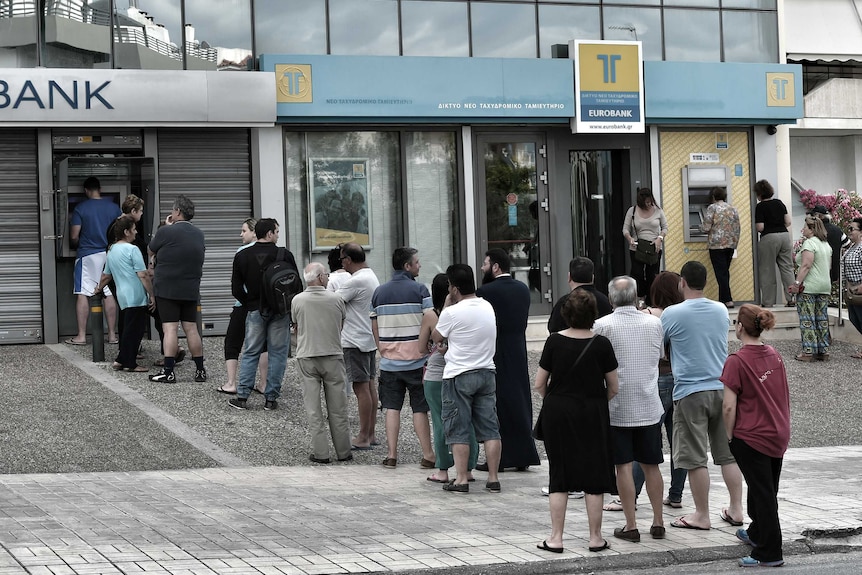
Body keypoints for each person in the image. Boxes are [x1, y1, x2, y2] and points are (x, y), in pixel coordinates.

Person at [533, 290, 618, 553]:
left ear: (565, 314)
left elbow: (539, 384)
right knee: (594, 475)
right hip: (592, 411)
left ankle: (556, 538)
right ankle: (595, 538)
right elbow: (613, 387)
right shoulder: (602, 344)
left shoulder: (554, 342)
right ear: (593, 314)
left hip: (559, 412)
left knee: (559, 474)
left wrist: (557, 398)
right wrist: (594, 398)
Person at [661, 261, 744, 531]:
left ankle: (701, 514)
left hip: (689, 391)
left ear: (681, 282)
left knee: (695, 458)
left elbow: (662, 350)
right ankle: (736, 509)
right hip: (722, 388)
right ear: (706, 282)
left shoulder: (672, 314)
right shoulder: (720, 309)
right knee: (727, 454)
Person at [593, 276, 666, 543]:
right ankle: (658, 521)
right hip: (648, 403)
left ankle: (631, 524)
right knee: (652, 464)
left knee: (623, 466)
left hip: (617, 406)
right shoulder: (655, 323)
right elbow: (658, 357)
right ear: (636, 298)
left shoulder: (602, 326)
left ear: (611, 298)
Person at [722, 304, 790, 568]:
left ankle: (770, 552)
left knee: (763, 494)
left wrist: (730, 436)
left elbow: (729, 406)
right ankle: (756, 533)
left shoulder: (736, 361)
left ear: (740, 326)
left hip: (751, 436)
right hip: (777, 432)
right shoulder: (775, 355)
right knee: (765, 487)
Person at [432, 264, 501, 494]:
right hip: (486, 371)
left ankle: (461, 479)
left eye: (450, 285)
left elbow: (436, 336)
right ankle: (493, 478)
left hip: (459, 375)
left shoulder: (452, 312)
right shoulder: (487, 306)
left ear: (454, 289)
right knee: (490, 428)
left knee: (458, 428)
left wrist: (446, 306)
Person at [475, 248, 540, 472]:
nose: (482, 268)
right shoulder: (522, 289)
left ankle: (500, 457)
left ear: (495, 266)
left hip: (495, 350)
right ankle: (523, 453)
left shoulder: (485, 292)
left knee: (498, 403)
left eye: (485, 264)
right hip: (518, 349)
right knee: (520, 400)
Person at [371, 247, 435, 469]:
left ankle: (391, 455)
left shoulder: (379, 292)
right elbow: (429, 320)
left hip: (390, 362)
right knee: (420, 409)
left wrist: (381, 347)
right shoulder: (420, 290)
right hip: (417, 361)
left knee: (392, 408)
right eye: (416, 262)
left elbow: (374, 323)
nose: (419, 266)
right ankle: (428, 455)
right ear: (407, 266)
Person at [228, 218, 297, 411]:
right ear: (269, 234)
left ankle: (242, 397)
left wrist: (250, 303)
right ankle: (271, 399)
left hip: (255, 310)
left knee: (251, 351)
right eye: (276, 231)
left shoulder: (243, 256)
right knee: (278, 353)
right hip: (280, 311)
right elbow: (295, 285)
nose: (277, 234)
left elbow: (235, 288)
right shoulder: (285, 255)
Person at [419, 273, 478, 483]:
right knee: (466, 420)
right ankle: (468, 468)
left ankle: (443, 469)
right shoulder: (467, 312)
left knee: (440, 421)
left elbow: (420, 348)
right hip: (462, 371)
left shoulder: (431, 315)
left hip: (436, 375)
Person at [292, 262, 352, 464]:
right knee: (338, 408)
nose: (327, 278)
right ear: (319, 278)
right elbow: (341, 325)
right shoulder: (336, 299)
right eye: (325, 275)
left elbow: (296, 327)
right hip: (333, 355)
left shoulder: (297, 300)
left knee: (313, 409)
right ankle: (344, 451)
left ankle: (321, 453)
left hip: (307, 356)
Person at [147, 195, 206, 384]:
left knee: (170, 328)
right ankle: (200, 370)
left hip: (167, 288)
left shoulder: (166, 232)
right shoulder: (199, 234)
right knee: (191, 329)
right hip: (190, 288)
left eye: (173, 210)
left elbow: (151, 249)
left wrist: (166, 227)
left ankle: (168, 371)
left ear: (177, 212)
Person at [336, 243, 381, 450]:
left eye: (342, 259)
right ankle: (370, 434)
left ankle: (363, 436)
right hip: (368, 339)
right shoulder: (370, 275)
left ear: (348, 259)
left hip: (354, 340)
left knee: (360, 388)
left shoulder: (356, 281)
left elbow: (333, 302)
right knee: (370, 386)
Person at [96, 215, 154, 373]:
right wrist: (152, 295)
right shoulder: (133, 249)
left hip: (122, 295)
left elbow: (106, 275)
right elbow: (143, 275)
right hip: (136, 295)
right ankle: (130, 363)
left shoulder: (112, 249)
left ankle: (121, 359)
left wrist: (98, 288)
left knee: (127, 329)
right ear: (126, 231)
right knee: (135, 331)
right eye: (134, 229)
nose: (136, 233)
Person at [67, 176, 121, 346]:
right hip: (110, 254)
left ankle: (81, 336)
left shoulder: (80, 208)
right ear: (100, 189)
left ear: (86, 190)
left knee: (83, 292)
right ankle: (112, 335)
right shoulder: (114, 208)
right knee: (109, 293)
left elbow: (74, 236)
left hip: (87, 255)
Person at [218, 218, 267, 395]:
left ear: (254, 232)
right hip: (262, 305)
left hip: (243, 304)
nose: (241, 234)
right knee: (262, 344)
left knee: (232, 342)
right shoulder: (271, 252)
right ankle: (263, 383)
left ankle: (231, 383)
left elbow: (236, 285)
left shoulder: (242, 252)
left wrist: (245, 301)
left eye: (244, 230)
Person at [787, 215, 833, 362]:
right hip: (824, 285)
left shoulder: (809, 244)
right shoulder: (826, 245)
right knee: (821, 319)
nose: (803, 229)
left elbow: (806, 265)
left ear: (811, 229)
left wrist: (796, 284)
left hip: (810, 286)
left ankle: (808, 351)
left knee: (807, 319)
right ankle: (823, 350)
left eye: (805, 227)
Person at [622, 188, 667, 306]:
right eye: (646, 202)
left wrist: (660, 238)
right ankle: (640, 299)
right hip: (637, 248)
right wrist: (629, 238)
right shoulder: (632, 211)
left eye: (650, 201)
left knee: (652, 275)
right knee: (637, 274)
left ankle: (651, 301)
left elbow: (665, 227)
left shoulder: (658, 211)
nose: (648, 204)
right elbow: (625, 229)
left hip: (654, 248)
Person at [753, 179, 795, 307]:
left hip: (769, 238)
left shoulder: (760, 207)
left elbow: (760, 227)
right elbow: (788, 222)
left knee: (767, 270)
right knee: (787, 268)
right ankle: (792, 298)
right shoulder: (779, 203)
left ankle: (768, 302)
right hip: (784, 236)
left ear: (759, 194)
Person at [547, 256, 612, 333]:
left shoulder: (563, 303)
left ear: (569, 277)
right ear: (593, 277)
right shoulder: (605, 302)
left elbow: (554, 329)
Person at [701, 186, 741, 308]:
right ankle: (723, 299)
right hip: (730, 244)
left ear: (713, 197)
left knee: (721, 273)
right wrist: (734, 243)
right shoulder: (732, 209)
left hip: (716, 245)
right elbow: (737, 227)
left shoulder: (712, 208)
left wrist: (699, 228)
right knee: (724, 272)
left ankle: (727, 300)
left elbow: (706, 227)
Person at [809, 205, 849, 283]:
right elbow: (848, 245)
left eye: (813, 216)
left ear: (819, 216)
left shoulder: (815, 232)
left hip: (818, 273)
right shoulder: (837, 230)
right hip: (834, 272)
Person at [842, 217, 862, 359]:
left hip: (859, 288)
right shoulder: (852, 247)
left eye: (852, 229)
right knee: (854, 318)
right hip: (851, 288)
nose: (849, 231)